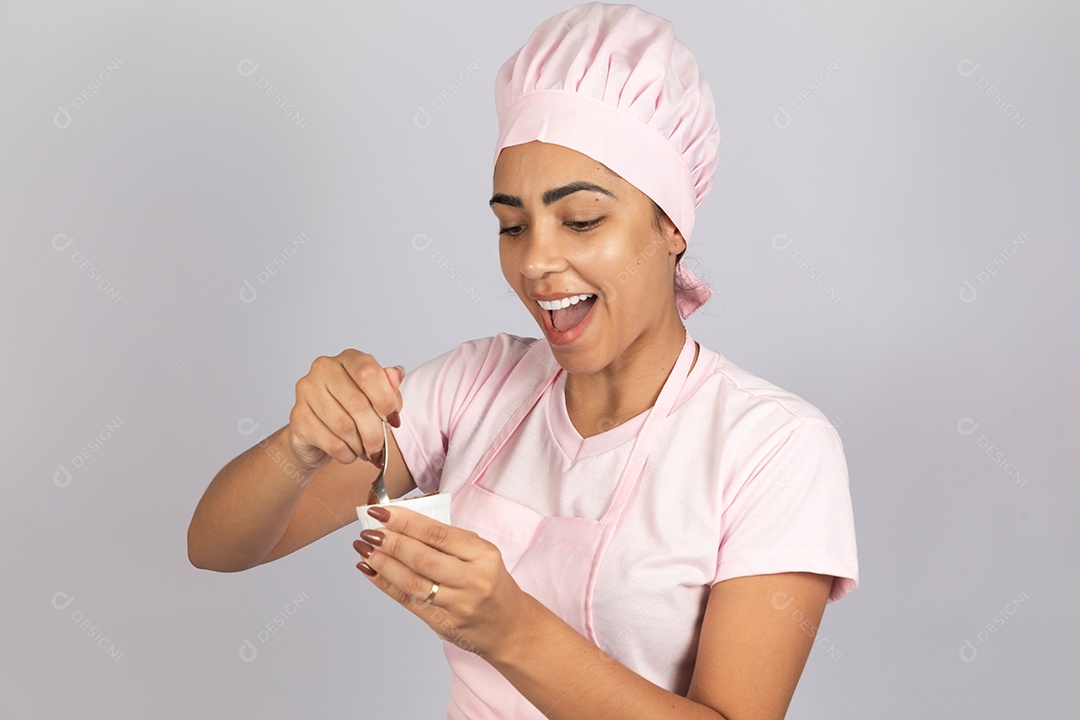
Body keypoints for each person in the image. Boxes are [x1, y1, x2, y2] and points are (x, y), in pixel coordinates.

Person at [188, 3, 859, 719]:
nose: (537, 261)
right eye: (512, 225)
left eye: (581, 221)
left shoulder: (774, 448)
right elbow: (220, 547)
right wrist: (302, 442)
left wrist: (510, 629)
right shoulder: (477, 387)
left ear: (671, 226)